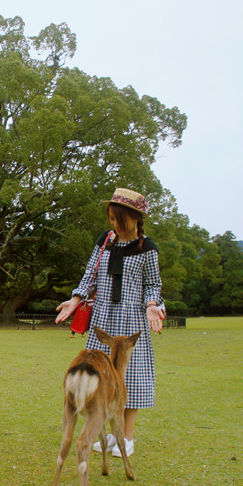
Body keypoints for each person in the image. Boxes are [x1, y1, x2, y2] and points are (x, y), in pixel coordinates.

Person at [55, 187, 165, 457]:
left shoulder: (147, 248)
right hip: (103, 320)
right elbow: (89, 275)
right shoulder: (105, 241)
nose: (113, 224)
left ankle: (126, 439)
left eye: (118, 219)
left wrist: (152, 306)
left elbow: (153, 284)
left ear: (133, 218)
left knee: (131, 379)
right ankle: (106, 433)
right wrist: (75, 299)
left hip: (132, 321)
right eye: (111, 219)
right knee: (101, 377)